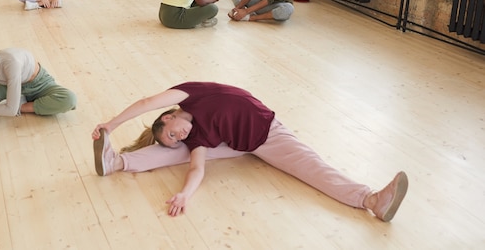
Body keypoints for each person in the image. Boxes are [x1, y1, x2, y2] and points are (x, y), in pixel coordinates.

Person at [92, 82, 408, 221]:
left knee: (312, 166)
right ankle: (116, 161)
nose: (181, 134)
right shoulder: (196, 137)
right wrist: (186, 194)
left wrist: (111, 124)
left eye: (174, 131)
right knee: (178, 154)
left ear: (168, 115)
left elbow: (147, 102)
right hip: (236, 145)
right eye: (176, 137)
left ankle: (370, 200)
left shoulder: (190, 94)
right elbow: (196, 169)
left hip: (267, 135)